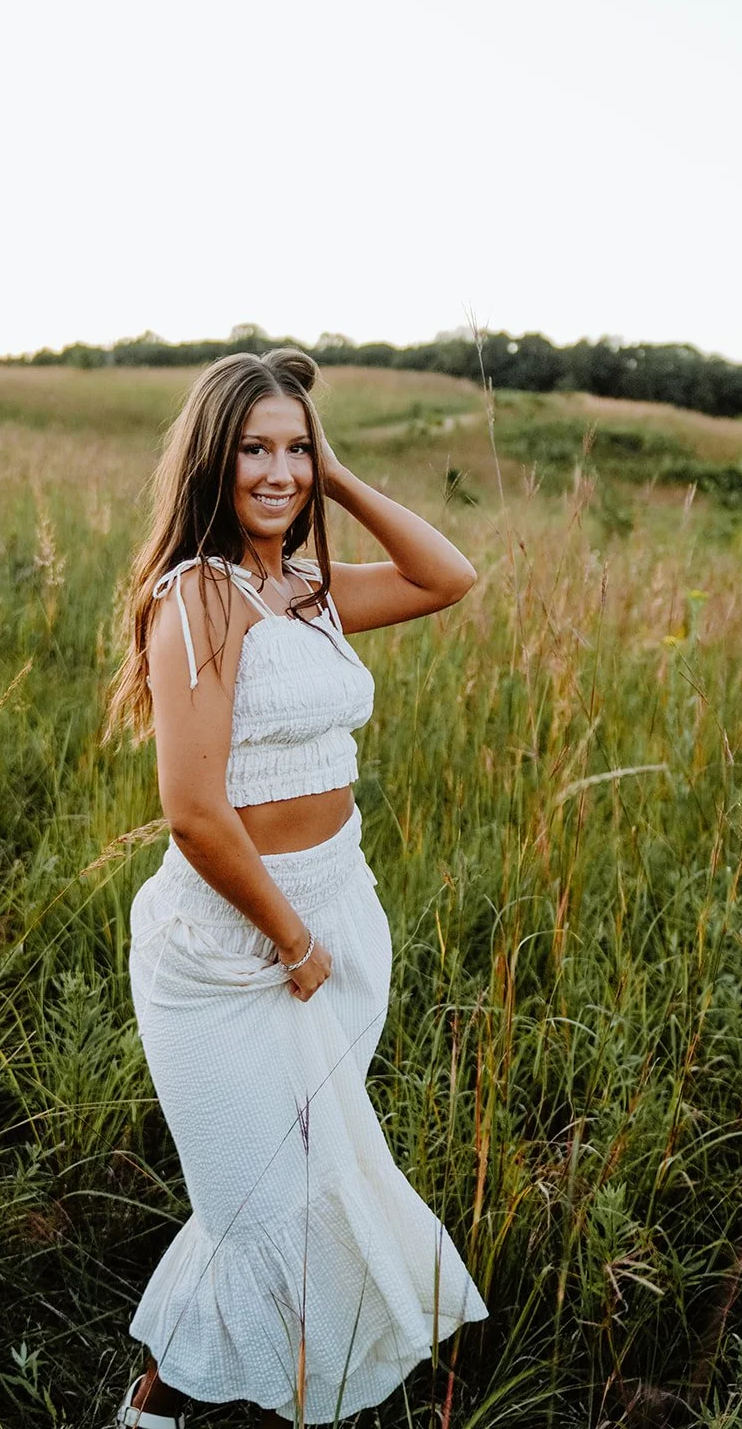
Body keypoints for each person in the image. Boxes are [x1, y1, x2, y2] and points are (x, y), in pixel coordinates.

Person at [102, 346, 487, 1428]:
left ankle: (271, 1396)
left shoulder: (310, 590)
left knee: (311, 1188)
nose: (277, 472)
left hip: (338, 911)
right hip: (229, 947)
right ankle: (153, 1410)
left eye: (294, 450)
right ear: (208, 463)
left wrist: (337, 476)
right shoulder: (199, 597)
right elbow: (193, 811)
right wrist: (290, 940)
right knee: (258, 1202)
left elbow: (447, 576)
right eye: (252, 451)